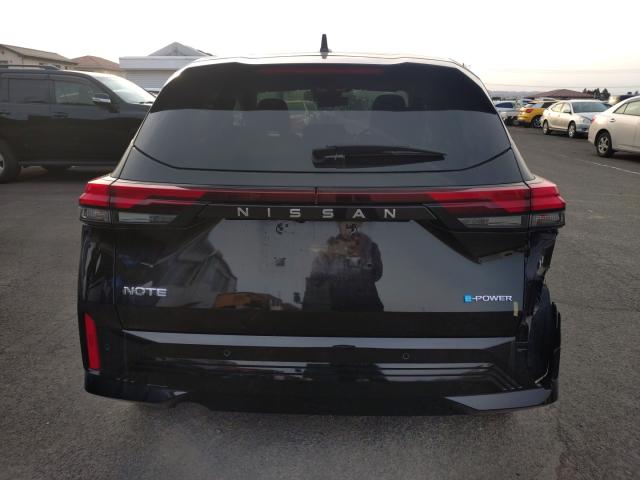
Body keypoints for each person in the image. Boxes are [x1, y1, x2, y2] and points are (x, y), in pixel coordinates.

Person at [303, 222, 383, 311]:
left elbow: (376, 274)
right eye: (345, 224)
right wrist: (326, 257)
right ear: (339, 225)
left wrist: (360, 257)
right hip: (337, 306)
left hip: (367, 306)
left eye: (353, 224)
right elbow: (316, 279)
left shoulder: (370, 246)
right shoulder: (329, 247)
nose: (349, 228)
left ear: (358, 226)